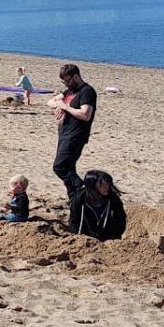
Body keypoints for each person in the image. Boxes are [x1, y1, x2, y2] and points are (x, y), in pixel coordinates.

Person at [48, 63, 97, 199]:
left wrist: (65, 106)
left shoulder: (87, 91)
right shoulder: (69, 91)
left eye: (68, 81)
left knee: (60, 167)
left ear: (75, 76)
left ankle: (83, 191)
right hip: (64, 133)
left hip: (76, 135)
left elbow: (85, 114)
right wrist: (60, 105)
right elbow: (50, 102)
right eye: (64, 82)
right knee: (69, 168)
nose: (66, 84)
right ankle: (75, 199)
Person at [67, 169, 126, 241]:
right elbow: (74, 221)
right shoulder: (79, 198)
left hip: (107, 240)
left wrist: (113, 238)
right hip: (85, 240)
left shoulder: (113, 199)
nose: (106, 187)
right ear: (92, 185)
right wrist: (79, 238)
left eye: (107, 184)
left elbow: (121, 220)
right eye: (102, 184)